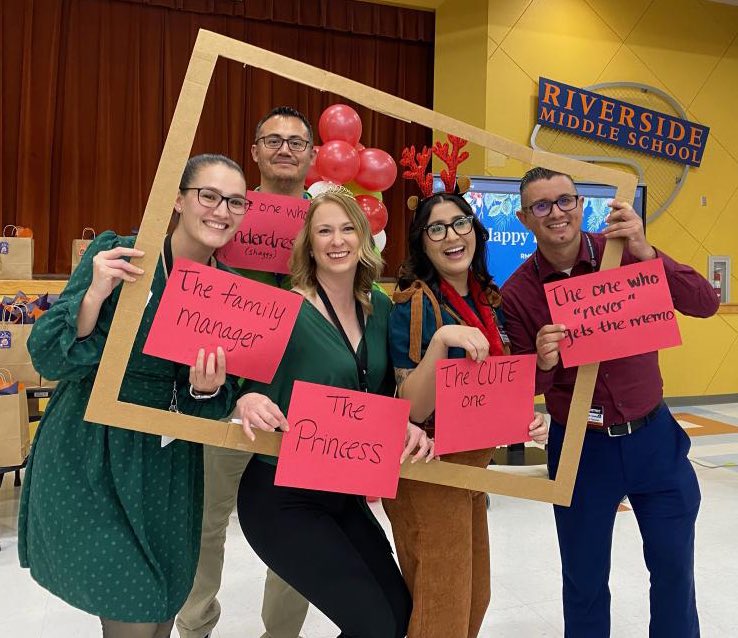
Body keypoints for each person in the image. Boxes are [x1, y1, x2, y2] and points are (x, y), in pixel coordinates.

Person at [18, 154, 247, 637]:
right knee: (133, 609)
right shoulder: (120, 255)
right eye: (208, 195)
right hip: (93, 451)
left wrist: (203, 390)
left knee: (162, 603)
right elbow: (48, 358)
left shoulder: (228, 294)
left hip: (167, 466)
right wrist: (94, 295)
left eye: (235, 202)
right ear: (179, 200)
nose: (221, 210)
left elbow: (216, 403)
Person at [501, 167, 720, 637]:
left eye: (565, 200)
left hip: (654, 440)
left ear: (582, 205)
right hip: (580, 449)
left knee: (674, 573)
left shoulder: (623, 254)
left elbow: (705, 302)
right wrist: (541, 360)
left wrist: (648, 252)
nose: (556, 213)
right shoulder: (518, 293)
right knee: (583, 581)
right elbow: (521, 389)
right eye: (541, 206)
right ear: (523, 218)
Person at [235, 190, 433, 638]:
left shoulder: (380, 307)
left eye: (347, 229)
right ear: (308, 243)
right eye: (324, 230)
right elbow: (237, 376)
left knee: (398, 614)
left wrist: (404, 421)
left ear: (364, 239)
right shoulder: (284, 307)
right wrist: (243, 398)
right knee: (375, 624)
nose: (337, 240)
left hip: (342, 492)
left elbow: (383, 392)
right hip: (282, 495)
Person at [384, 177, 548, 638]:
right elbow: (410, 409)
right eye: (436, 229)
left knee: (474, 600)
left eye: (459, 223)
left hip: (473, 466)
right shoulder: (416, 305)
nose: (452, 236)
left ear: (475, 231)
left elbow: (490, 387)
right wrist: (440, 342)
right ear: (421, 242)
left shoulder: (487, 300)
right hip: (430, 468)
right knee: (443, 606)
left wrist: (524, 417)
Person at [176, 107, 314, 638]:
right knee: (206, 523)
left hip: (301, 401)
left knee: (296, 526)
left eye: (296, 142)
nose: (284, 149)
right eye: (272, 140)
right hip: (224, 393)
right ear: (254, 151)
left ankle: (281, 634)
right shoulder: (223, 214)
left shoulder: (330, 220)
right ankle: (195, 626)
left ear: (312, 154)